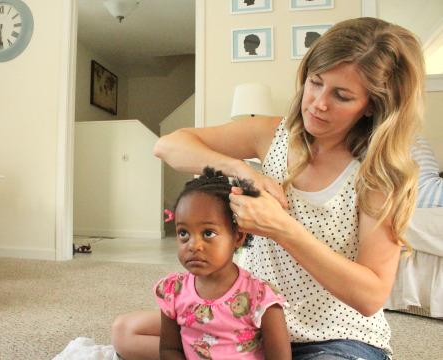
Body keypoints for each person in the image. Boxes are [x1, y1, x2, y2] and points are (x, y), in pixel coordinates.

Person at [112, 17, 424, 360]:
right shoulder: (272, 134)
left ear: (372, 106)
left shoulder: (378, 174)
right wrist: (241, 170)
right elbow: (169, 146)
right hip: (248, 318)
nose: (319, 103)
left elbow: (371, 296)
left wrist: (282, 228)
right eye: (315, 83)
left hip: (334, 335)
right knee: (126, 333)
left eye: (342, 96)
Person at [155, 167, 291, 359]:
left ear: (238, 237)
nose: (193, 245)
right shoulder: (172, 291)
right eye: (183, 233)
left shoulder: (260, 298)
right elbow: (170, 349)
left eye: (208, 233)